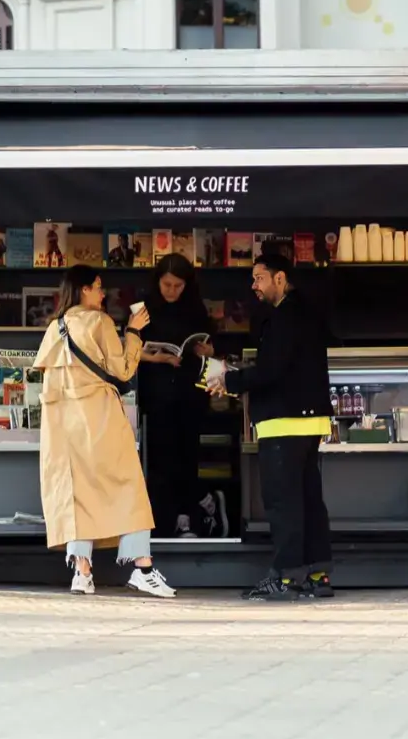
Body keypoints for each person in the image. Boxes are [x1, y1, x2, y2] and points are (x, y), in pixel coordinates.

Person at [32, 264, 176, 598]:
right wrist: (135, 331)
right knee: (127, 484)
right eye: (97, 287)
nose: (102, 293)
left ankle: (82, 572)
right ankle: (143, 567)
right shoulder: (100, 321)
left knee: (77, 491)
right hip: (99, 414)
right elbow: (123, 368)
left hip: (62, 422)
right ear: (84, 289)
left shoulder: (56, 328)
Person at [209, 253, 333, 601]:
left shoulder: (282, 319)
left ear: (280, 279)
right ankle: (318, 575)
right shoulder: (308, 313)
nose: (254, 286)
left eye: (259, 278)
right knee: (310, 499)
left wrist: (229, 380)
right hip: (311, 421)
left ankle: (287, 578)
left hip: (283, 422)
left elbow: (271, 370)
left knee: (284, 502)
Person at [138, 253, 215, 538]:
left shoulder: (196, 309)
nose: (171, 291)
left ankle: (188, 520)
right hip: (157, 395)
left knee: (187, 459)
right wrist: (154, 358)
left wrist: (208, 351)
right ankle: (161, 523)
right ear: (157, 281)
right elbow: (129, 351)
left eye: (177, 286)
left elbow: (208, 343)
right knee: (160, 461)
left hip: (189, 394)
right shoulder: (144, 309)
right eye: (167, 284)